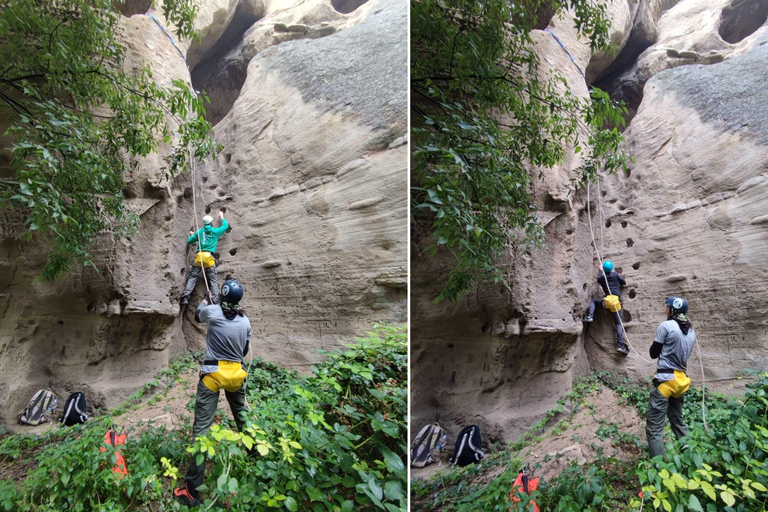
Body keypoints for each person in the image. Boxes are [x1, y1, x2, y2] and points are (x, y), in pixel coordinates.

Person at [174, 279, 251, 507]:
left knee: (201, 430)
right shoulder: (245, 320)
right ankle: (256, 459)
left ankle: (192, 491)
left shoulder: (213, 312)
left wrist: (207, 299)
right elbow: (245, 350)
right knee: (243, 419)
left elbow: (198, 315)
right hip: (237, 375)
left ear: (223, 295)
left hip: (212, 375)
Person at [646, 296, 695, 459]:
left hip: (665, 382)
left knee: (655, 428)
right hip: (680, 381)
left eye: (667, 307)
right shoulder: (691, 330)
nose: (665, 309)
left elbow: (653, 354)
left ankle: (657, 468)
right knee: (678, 422)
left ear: (673, 310)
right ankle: (690, 458)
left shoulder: (666, 326)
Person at [180, 209, 229, 305]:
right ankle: (215, 301)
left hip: (199, 258)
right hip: (209, 258)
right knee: (213, 280)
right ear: (211, 223)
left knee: (193, 276)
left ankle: (185, 297)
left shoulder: (199, 232)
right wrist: (221, 216)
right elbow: (225, 226)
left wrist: (193, 235)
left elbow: (190, 241)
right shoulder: (215, 232)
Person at [583, 260, 629, 355]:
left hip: (607, 301)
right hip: (615, 302)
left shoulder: (601, 278)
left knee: (594, 301)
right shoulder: (615, 275)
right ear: (611, 268)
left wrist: (600, 270)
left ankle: (590, 316)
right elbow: (624, 282)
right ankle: (620, 346)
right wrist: (618, 276)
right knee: (618, 324)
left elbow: (599, 278)